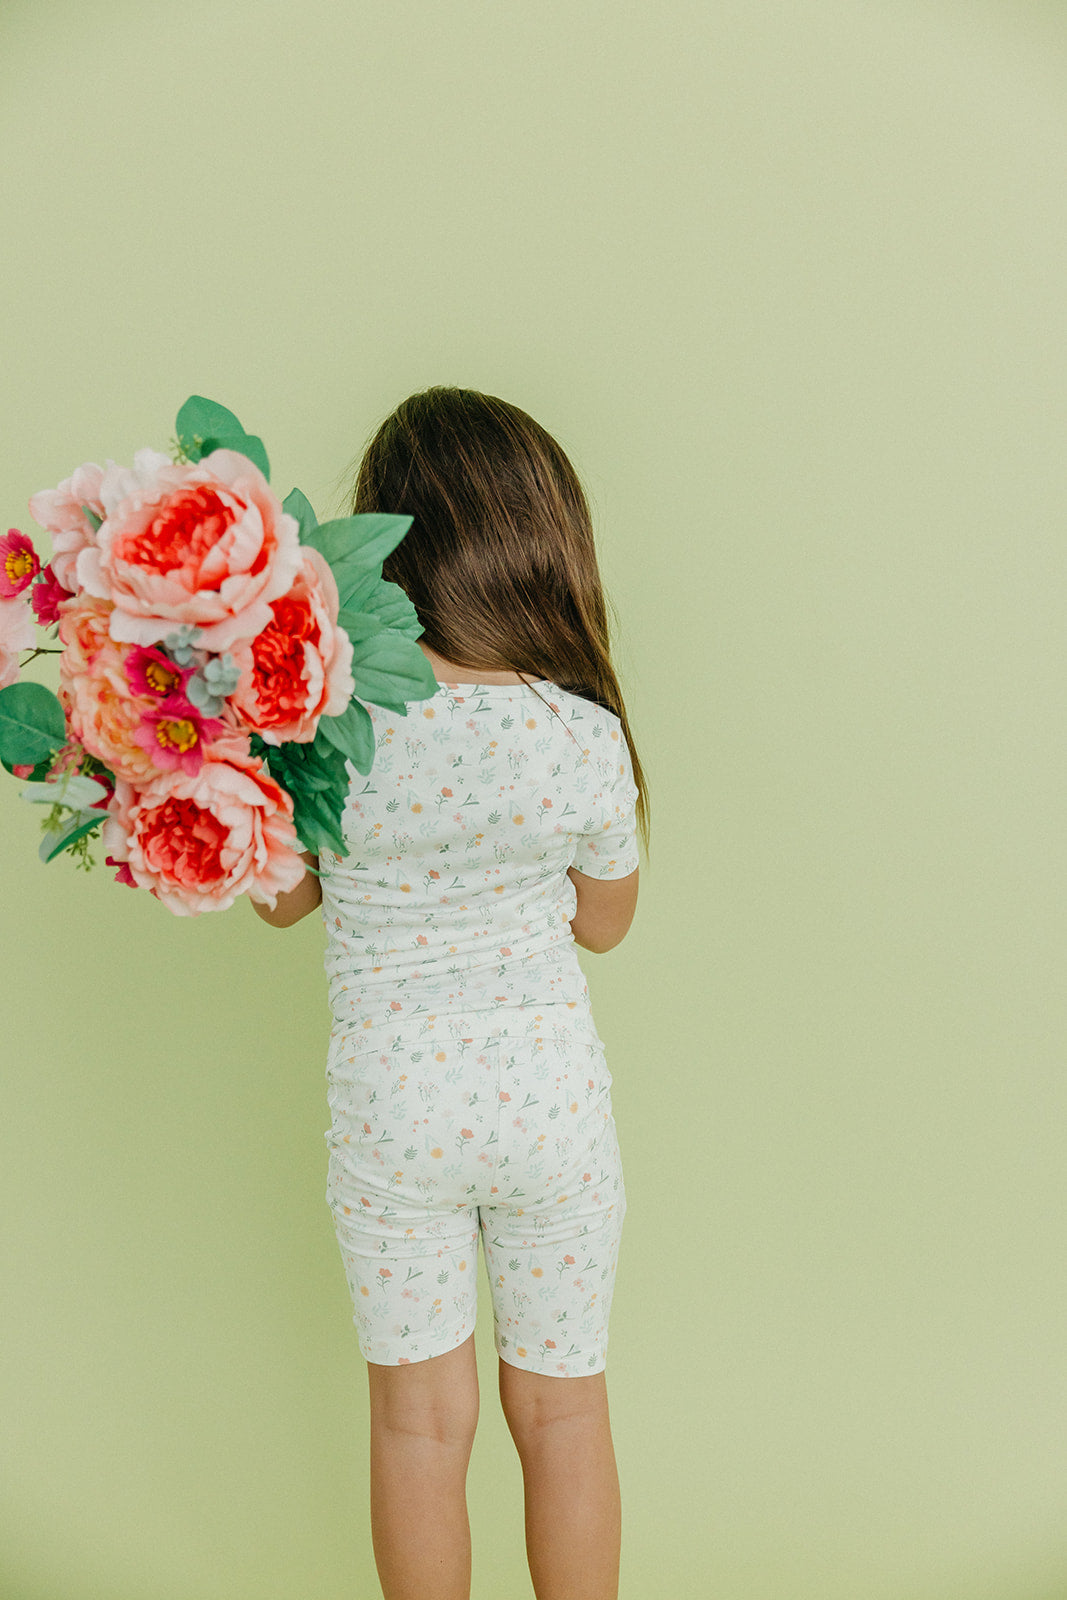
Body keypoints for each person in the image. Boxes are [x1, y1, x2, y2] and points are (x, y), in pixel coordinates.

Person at [252, 386, 650, 1600]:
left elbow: (279, 901)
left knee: (420, 1425)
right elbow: (604, 927)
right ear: (545, 543)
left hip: (393, 1108)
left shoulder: (327, 729)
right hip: (548, 1109)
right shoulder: (579, 736)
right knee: (562, 1409)